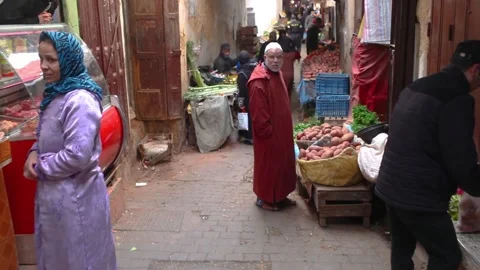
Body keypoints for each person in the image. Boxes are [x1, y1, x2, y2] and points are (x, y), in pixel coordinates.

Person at [375, 40, 480, 270]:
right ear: (475, 70)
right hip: (418, 196)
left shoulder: (418, 85)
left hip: (391, 186)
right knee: (447, 256)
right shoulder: (458, 99)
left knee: (402, 251)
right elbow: (460, 159)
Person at [23, 31, 117, 270]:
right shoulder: (57, 94)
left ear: (68, 60)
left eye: (51, 60)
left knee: (81, 260)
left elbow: (77, 155)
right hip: (57, 201)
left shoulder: (79, 100)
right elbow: (48, 137)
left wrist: (40, 166)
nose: (43, 66)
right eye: (41, 58)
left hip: (77, 202)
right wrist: (34, 151)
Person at [247, 42, 296, 211]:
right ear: (264, 58)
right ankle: (266, 200)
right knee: (269, 168)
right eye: (272, 57)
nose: (275, 61)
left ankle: (281, 196)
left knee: (283, 165)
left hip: (282, 133)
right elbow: (259, 117)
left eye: (279, 57)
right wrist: (269, 134)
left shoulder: (277, 73)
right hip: (269, 137)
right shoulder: (259, 82)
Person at [237, 51, 256, 145]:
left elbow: (242, 92)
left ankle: (249, 137)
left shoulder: (242, 73)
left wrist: (240, 104)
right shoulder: (256, 66)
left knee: (247, 116)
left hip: (248, 98)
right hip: (258, 95)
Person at [277, 29, 299, 98]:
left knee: (280, 93)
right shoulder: (292, 54)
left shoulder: (277, 54)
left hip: (279, 75)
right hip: (290, 75)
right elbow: (298, 55)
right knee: (288, 94)